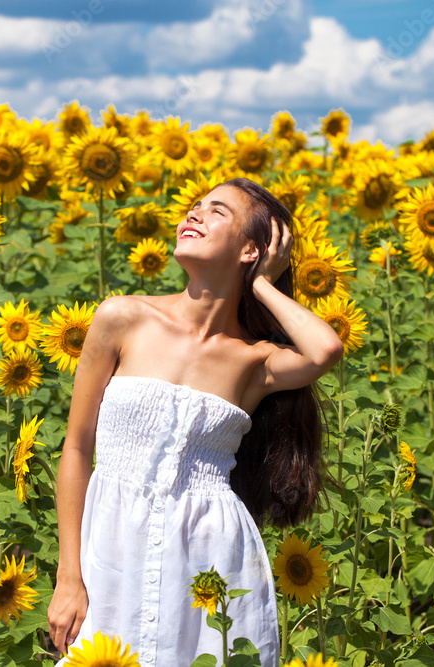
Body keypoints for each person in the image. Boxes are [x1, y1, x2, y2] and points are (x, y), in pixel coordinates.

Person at [47, 177, 344, 666]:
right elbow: (77, 448)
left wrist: (264, 284)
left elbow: (325, 349)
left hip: (209, 557)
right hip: (111, 548)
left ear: (251, 249)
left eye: (217, 211)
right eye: (194, 207)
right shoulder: (123, 318)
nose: (193, 215)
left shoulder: (255, 360)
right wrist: (69, 576)